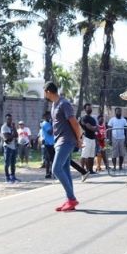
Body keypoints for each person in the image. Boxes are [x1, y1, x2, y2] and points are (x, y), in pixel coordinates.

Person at [44, 81, 83, 211]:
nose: (44, 94)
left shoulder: (64, 104)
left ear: (48, 91)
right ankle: (69, 200)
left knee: (56, 169)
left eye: (44, 91)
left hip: (66, 140)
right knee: (65, 170)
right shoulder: (54, 105)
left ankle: (72, 199)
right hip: (59, 140)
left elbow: (75, 123)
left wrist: (79, 139)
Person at [79, 103, 99, 174]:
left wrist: (94, 128)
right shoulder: (84, 118)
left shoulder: (93, 119)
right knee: (84, 155)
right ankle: (82, 170)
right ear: (85, 109)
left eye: (90, 108)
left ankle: (90, 170)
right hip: (86, 138)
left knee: (91, 156)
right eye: (88, 108)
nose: (90, 109)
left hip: (93, 138)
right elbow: (88, 127)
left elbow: (97, 128)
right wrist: (94, 128)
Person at [1, 113, 18, 183]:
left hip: (13, 147)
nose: (10, 121)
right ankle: (7, 177)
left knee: (13, 163)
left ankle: (13, 176)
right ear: (6, 120)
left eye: (10, 119)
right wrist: (12, 135)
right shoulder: (4, 127)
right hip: (7, 147)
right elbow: (8, 140)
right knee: (7, 163)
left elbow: (16, 135)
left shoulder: (12, 127)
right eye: (8, 119)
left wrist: (14, 128)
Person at [39, 112, 55, 179]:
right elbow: (50, 132)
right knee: (48, 159)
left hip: (52, 144)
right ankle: (47, 173)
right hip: (47, 144)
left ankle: (52, 172)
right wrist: (54, 125)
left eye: (49, 116)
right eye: (47, 116)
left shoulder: (49, 123)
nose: (49, 117)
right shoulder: (44, 124)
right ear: (44, 117)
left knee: (53, 159)